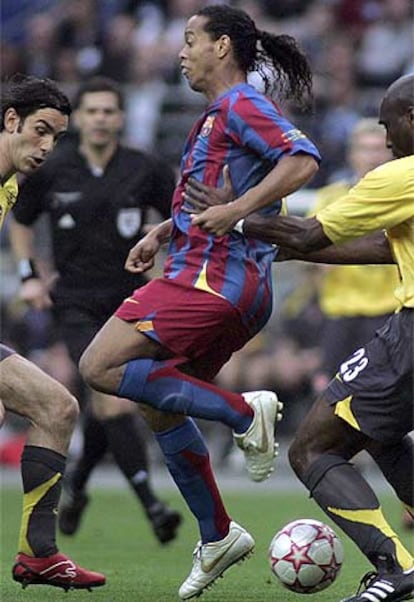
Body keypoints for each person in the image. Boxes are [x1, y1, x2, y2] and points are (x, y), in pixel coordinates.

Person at [78, 4, 320, 600]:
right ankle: (217, 535)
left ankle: (244, 411)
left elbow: (304, 160)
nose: (180, 51)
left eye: (191, 40)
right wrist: (164, 232)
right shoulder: (214, 117)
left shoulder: (242, 104)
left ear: (222, 48)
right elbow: (212, 200)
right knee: (158, 402)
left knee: (99, 366)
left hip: (213, 281)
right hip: (216, 278)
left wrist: (237, 212)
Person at [186, 73, 414, 602]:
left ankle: (397, 570)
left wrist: (237, 216)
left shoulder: (400, 175)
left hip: (408, 331)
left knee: (312, 449)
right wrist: (287, 243)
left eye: (387, 127)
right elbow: (383, 248)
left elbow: (310, 231)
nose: (384, 142)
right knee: (376, 432)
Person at [9, 76, 182, 544]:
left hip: (131, 301)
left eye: (109, 111)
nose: (100, 119)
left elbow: (179, 223)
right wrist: (27, 274)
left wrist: (165, 273)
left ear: (121, 118)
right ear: (79, 118)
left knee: (104, 404)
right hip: (76, 303)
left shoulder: (145, 168)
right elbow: (22, 223)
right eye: (92, 111)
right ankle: (153, 506)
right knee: (110, 397)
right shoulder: (50, 168)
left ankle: (79, 488)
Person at [0, 73, 105, 591]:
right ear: (11, 120)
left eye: (56, 138)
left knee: (57, 408)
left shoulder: (11, 185)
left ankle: (38, 554)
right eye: (40, 130)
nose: (46, 146)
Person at [308, 117, 398, 392]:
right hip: (340, 310)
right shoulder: (331, 198)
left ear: (390, 153)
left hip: (389, 310)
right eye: (364, 149)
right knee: (328, 387)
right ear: (352, 154)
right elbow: (312, 257)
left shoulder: (402, 196)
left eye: (377, 149)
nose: (371, 157)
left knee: (386, 390)